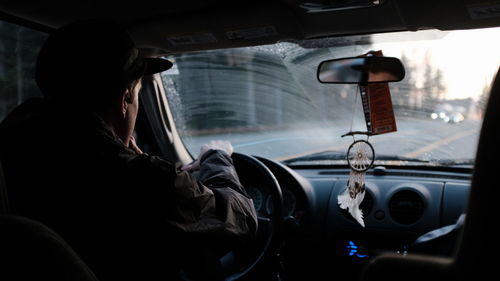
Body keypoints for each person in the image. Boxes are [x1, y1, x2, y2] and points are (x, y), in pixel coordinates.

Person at [0, 19, 257, 281]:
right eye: (138, 93)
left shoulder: (13, 141)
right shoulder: (141, 179)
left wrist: (141, 162)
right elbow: (241, 219)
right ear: (125, 100)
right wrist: (218, 158)